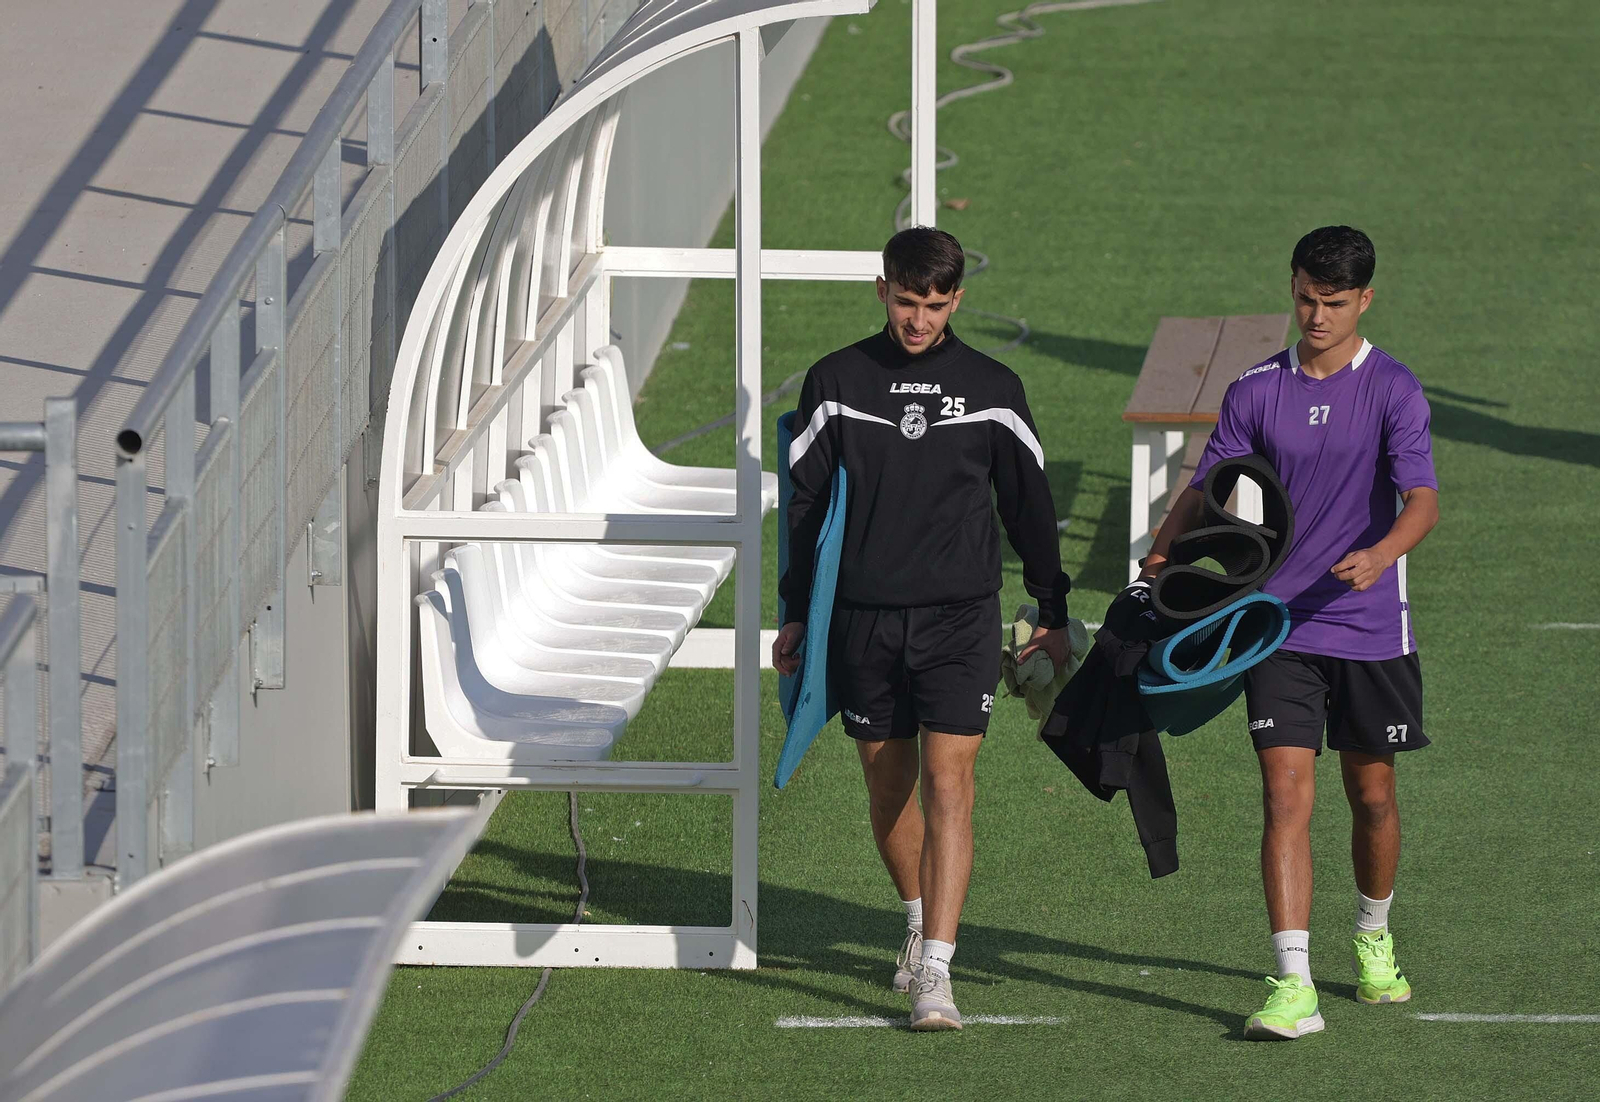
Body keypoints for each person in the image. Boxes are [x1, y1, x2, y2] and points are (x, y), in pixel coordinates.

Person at [1141, 225, 1439, 1040]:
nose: (1314, 314)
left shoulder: (1394, 389)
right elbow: (1208, 487)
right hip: (1275, 628)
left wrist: (1380, 555)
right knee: (1284, 794)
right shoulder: (1254, 390)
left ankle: (1373, 937)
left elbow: (1422, 500)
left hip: (1370, 625)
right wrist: (1158, 558)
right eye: (1305, 296)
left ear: (1363, 300)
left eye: (1332, 302)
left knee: (1372, 794)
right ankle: (1293, 981)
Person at [772, 226, 1072, 1031]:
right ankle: (915, 919)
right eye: (907, 302)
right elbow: (802, 508)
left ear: (957, 300)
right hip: (863, 622)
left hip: (958, 620)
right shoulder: (836, 381)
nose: (919, 320)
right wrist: (794, 611)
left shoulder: (994, 387)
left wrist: (1051, 607)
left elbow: (1029, 507)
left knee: (951, 784)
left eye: (936, 305)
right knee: (887, 787)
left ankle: (937, 969)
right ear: (883, 291)